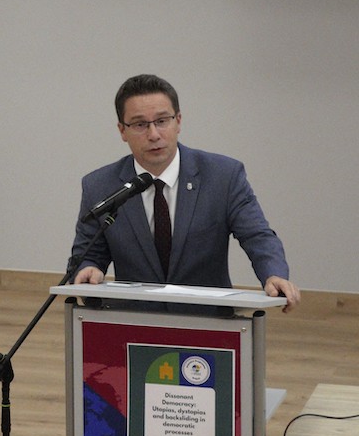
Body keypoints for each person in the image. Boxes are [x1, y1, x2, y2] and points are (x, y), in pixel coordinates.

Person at [71, 74, 300, 312]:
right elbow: (88, 253)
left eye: (162, 121)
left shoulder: (223, 176)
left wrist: (273, 274)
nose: (153, 134)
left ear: (178, 121)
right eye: (140, 124)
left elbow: (257, 235)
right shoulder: (100, 185)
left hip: (208, 321)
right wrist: (88, 268)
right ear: (122, 130)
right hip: (134, 320)